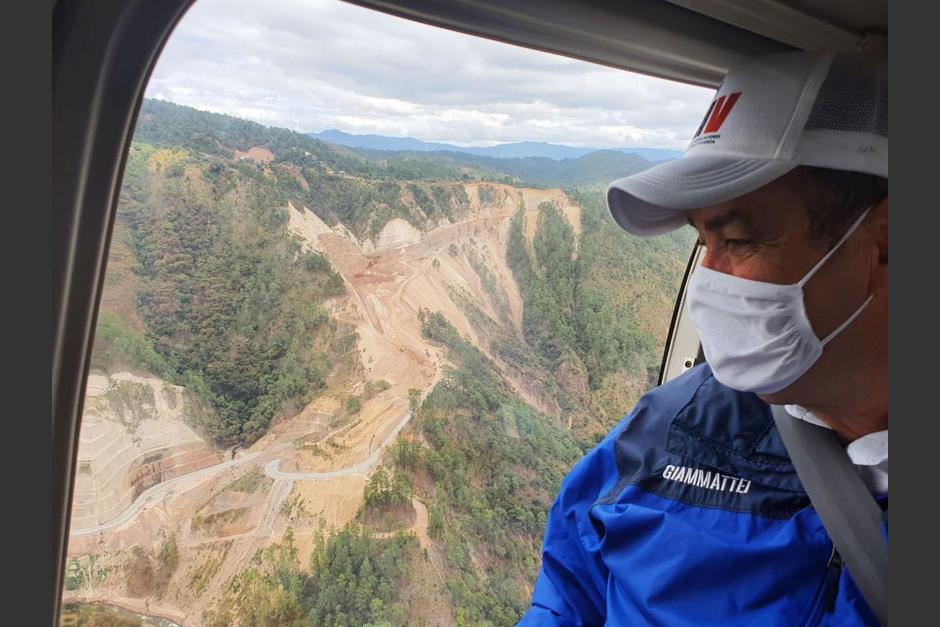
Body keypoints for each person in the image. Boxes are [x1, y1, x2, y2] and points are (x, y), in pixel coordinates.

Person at [519, 48, 887, 626]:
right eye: (700, 244)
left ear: (883, 241)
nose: (706, 284)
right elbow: (567, 597)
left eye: (738, 242)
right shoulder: (666, 430)